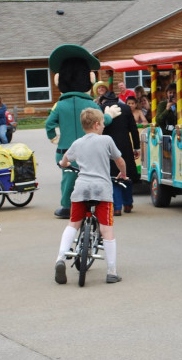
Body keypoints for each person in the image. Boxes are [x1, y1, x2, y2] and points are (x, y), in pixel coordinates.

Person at [55, 108, 128, 285]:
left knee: (73, 223)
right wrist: (123, 174)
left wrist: (63, 163)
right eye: (103, 123)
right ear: (96, 125)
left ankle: (61, 258)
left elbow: (65, 160)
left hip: (81, 189)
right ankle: (111, 271)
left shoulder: (77, 143)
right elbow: (120, 161)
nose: (103, 126)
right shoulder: (106, 140)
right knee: (106, 229)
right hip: (102, 189)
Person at [98, 87, 140, 215]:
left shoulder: (100, 110)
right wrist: (136, 147)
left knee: (112, 177)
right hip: (125, 146)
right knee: (125, 174)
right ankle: (128, 204)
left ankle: (117, 207)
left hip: (107, 146)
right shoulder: (126, 109)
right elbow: (133, 129)